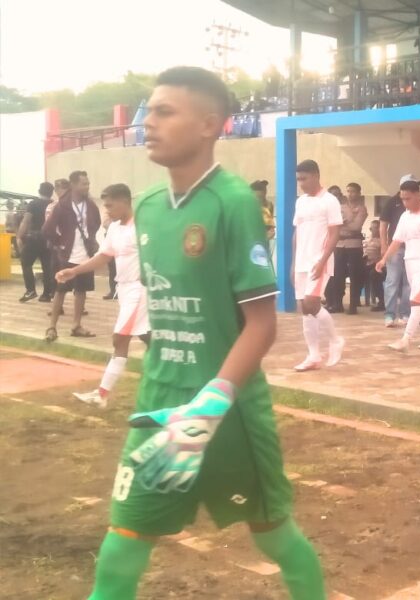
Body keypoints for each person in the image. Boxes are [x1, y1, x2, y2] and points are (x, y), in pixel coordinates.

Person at [84, 66, 325, 600]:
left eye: (165, 111)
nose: (149, 121)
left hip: (227, 412)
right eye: (149, 110)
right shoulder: (145, 208)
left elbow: (262, 324)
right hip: (158, 408)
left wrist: (211, 405)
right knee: (120, 553)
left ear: (209, 124)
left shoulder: (233, 203)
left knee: (275, 539)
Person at [56, 184, 150, 408]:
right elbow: (103, 257)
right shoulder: (116, 229)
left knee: (120, 338)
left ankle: (101, 395)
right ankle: (176, 375)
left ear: (125, 201)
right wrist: (74, 271)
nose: (106, 210)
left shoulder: (143, 227)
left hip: (141, 289)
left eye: (109, 205)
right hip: (125, 290)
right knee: (150, 339)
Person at [377, 179, 420, 352]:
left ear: (417, 195)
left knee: (415, 301)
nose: (405, 202)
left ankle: (406, 338)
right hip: (410, 261)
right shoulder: (404, 217)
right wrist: (384, 259)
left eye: (408, 198)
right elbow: (397, 241)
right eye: (403, 199)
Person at [292, 160, 345, 372]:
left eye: (304, 179)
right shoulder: (301, 202)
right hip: (302, 262)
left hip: (318, 261)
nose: (301, 183)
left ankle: (335, 340)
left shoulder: (329, 201)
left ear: (315, 176)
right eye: (298, 179)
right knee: (304, 309)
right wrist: (293, 263)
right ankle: (313, 355)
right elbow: (297, 233)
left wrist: (322, 260)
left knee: (312, 303)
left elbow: (335, 233)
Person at [42, 170, 101, 342]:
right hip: (67, 255)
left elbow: (96, 223)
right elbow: (47, 229)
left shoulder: (90, 205)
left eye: (88, 183)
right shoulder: (62, 205)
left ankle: (76, 325)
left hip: (86, 255)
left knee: (81, 290)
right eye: (84, 183)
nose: (87, 186)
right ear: (74, 184)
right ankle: (52, 326)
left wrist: (90, 238)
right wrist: (60, 242)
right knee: (61, 290)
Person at [380, 177, 413, 327]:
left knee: (408, 283)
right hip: (396, 248)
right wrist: (384, 245)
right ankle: (389, 314)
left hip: (412, 249)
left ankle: (405, 313)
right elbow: (383, 225)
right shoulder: (392, 202)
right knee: (392, 281)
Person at [17, 182, 55, 303]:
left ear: (39, 191)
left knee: (26, 262)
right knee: (47, 266)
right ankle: (47, 294)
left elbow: (26, 221)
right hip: (49, 238)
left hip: (35, 237)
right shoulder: (54, 204)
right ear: (51, 192)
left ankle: (31, 290)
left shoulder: (33, 204)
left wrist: (19, 236)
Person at [333, 182, 368, 314]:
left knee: (355, 275)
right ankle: (338, 304)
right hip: (339, 244)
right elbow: (335, 223)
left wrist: (345, 222)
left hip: (354, 245)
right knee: (338, 275)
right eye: (348, 191)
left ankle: (353, 305)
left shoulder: (362, 208)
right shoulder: (340, 207)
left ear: (359, 193)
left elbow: (356, 227)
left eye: (353, 191)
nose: (350, 194)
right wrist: (349, 220)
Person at [364, 219, 384, 310]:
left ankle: (381, 301)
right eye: (371, 228)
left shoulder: (383, 240)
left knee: (374, 274)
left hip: (379, 264)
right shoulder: (367, 238)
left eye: (374, 228)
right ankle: (355, 300)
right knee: (355, 271)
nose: (372, 230)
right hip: (366, 262)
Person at [250, 180, 275, 249]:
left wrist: (270, 233)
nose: (259, 200)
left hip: (263, 242)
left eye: (262, 197)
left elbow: (271, 228)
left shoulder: (269, 205)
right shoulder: (247, 207)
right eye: (257, 197)